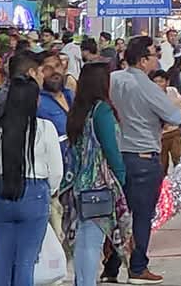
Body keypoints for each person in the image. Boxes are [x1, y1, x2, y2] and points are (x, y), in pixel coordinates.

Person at [102, 35, 181, 284]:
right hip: (143, 157)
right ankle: (138, 267)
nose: (157, 59)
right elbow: (175, 116)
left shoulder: (113, 79)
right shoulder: (147, 86)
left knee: (119, 214)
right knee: (141, 215)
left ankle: (111, 267)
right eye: (154, 54)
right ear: (142, 60)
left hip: (117, 155)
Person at [0, 76, 64, 286]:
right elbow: (56, 170)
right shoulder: (45, 128)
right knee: (26, 259)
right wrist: (51, 190)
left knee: (2, 254)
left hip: (4, 190)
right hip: (35, 192)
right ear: (35, 100)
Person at [62, 61, 131, 286]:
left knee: (82, 241)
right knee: (92, 241)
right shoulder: (102, 110)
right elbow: (111, 149)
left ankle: (81, 281)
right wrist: (120, 178)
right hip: (98, 185)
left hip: (77, 185)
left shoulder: (78, 110)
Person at [148, 68, 181, 175]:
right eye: (155, 82)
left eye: (160, 81)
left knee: (178, 160)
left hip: (174, 132)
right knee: (162, 165)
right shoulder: (151, 97)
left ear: (167, 82)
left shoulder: (172, 91)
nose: (158, 84)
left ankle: (180, 184)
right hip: (160, 136)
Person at [0, 51, 44, 125]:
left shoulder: (8, 96)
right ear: (32, 73)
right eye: (41, 71)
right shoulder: (12, 101)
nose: (43, 76)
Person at [39, 50, 74, 154]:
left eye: (57, 66)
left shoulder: (71, 95)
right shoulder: (38, 102)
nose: (55, 71)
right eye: (48, 69)